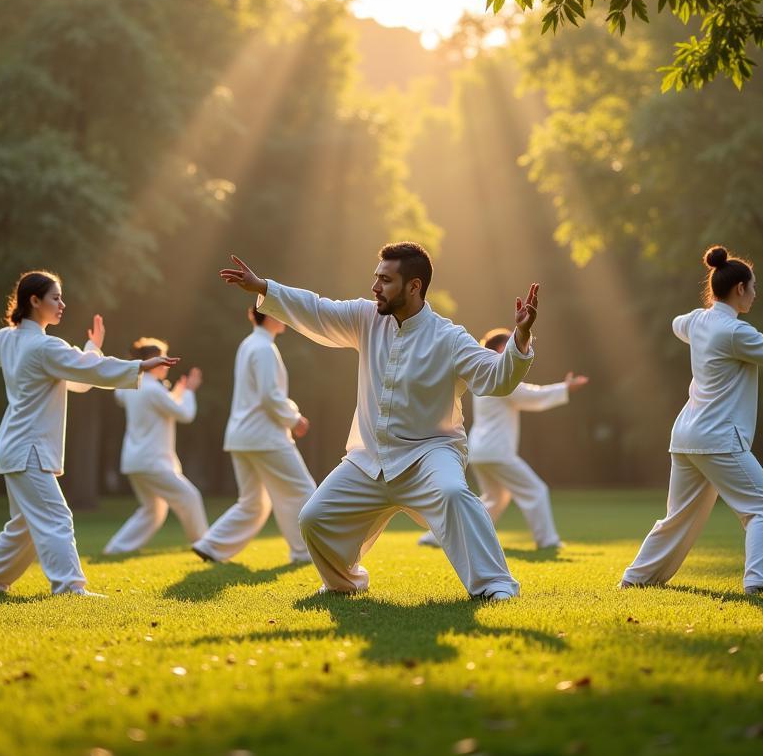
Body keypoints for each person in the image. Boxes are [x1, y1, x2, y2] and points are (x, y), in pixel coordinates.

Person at [219, 242, 539, 601]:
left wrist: (521, 337)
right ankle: (344, 583)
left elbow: (496, 378)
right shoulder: (366, 317)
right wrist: (265, 287)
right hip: (368, 458)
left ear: (414, 286)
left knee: (453, 493)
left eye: (385, 280)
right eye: (376, 278)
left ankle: (495, 585)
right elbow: (317, 310)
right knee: (314, 518)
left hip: (430, 456)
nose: (375, 288)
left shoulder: (449, 338)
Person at [0, 270, 177, 596]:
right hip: (28, 448)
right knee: (56, 517)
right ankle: (69, 587)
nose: (62, 304)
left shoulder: (11, 340)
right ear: (34, 300)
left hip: (17, 446)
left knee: (25, 525)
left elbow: (77, 376)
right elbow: (89, 370)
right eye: (55, 298)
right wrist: (140, 366)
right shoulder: (44, 346)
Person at [620, 246, 763, 595]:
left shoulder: (698, 322)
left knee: (679, 518)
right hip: (716, 439)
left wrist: (702, 318)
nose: (756, 294)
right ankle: (761, 584)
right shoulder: (734, 332)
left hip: (686, 436)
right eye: (753, 287)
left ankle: (635, 579)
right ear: (740, 288)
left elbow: (676, 323)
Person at [418, 327, 588, 551]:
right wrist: (566, 388)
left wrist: (563, 388)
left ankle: (436, 535)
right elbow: (531, 396)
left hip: (481, 450)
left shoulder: (485, 376)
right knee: (535, 490)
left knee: (494, 500)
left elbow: (528, 394)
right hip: (495, 451)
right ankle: (548, 541)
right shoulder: (500, 377)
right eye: (511, 344)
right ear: (500, 349)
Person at [191, 307, 315, 564]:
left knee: (253, 503)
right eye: (280, 313)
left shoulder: (250, 344)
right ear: (269, 316)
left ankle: (210, 545)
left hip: (242, 436)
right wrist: (294, 419)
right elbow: (269, 396)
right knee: (303, 491)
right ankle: (305, 553)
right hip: (265, 436)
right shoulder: (264, 349)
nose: (286, 319)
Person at [102, 338, 208, 555]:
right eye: (163, 358)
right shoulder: (153, 390)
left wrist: (176, 393)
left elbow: (140, 401)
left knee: (154, 509)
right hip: (152, 462)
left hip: (135, 461)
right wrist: (188, 391)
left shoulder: (133, 387)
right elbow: (185, 414)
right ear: (152, 361)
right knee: (190, 497)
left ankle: (116, 549)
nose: (166, 363)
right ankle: (206, 546)